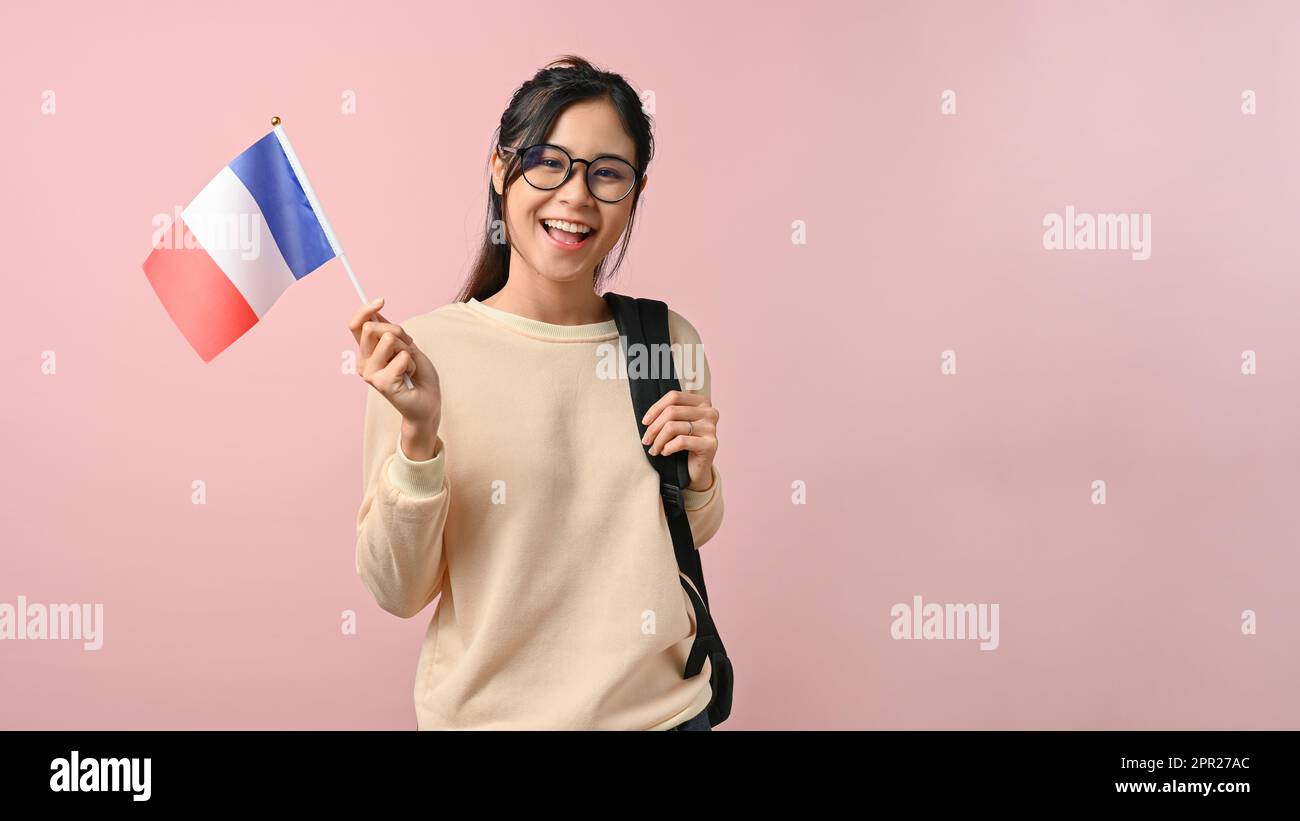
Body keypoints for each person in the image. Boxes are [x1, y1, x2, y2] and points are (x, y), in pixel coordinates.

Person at [347, 55, 724, 730]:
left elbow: (673, 538)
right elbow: (397, 590)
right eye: (549, 161)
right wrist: (417, 439)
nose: (577, 196)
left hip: (664, 716)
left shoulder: (666, 340)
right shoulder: (419, 359)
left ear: (634, 193)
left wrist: (697, 476)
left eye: (607, 173)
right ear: (500, 167)